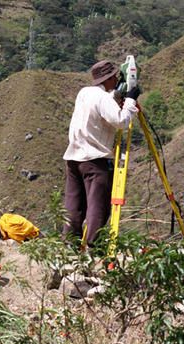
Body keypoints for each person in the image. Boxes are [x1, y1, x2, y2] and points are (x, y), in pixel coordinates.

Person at [62, 60, 141, 247]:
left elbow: (101, 106)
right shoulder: (103, 99)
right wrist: (130, 99)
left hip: (74, 158)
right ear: (111, 77)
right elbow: (121, 121)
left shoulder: (84, 93)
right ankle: (91, 248)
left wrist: (117, 95)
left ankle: (68, 246)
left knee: (74, 206)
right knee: (98, 207)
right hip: (95, 161)